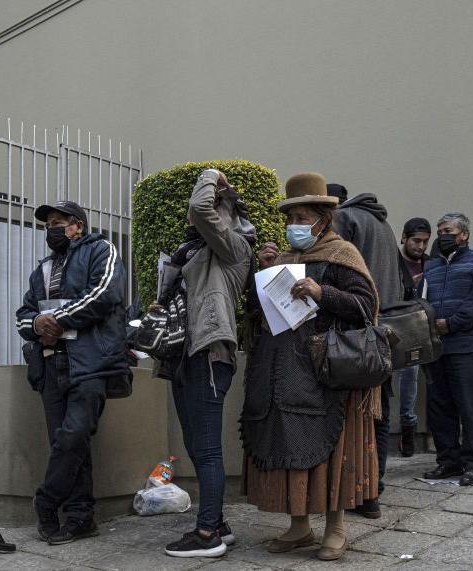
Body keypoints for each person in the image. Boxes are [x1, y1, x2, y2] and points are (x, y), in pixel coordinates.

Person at [243, 173, 380, 562]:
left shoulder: (343, 254)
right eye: (290, 219)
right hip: (282, 372)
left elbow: (365, 308)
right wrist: (264, 272)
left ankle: (335, 528)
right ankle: (299, 526)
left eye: (302, 217)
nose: (293, 226)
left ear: (323, 218)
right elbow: (257, 313)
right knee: (288, 445)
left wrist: (323, 293)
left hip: (326, 374)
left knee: (330, 450)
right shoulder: (284, 260)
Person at [16, 200, 128, 545]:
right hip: (50, 364)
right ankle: (80, 518)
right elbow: (24, 313)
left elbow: (105, 294)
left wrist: (57, 319)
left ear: (78, 225)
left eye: (58, 221)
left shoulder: (101, 250)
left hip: (90, 360)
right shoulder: (43, 269)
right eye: (48, 223)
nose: (51, 228)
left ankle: (47, 501)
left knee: (74, 435)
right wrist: (37, 323)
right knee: (63, 443)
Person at [162, 169, 254, 558]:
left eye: (212, 210)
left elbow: (200, 207)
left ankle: (206, 536)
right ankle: (217, 522)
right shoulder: (192, 252)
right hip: (182, 354)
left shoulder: (235, 248)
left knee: (208, 448)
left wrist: (210, 176)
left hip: (210, 354)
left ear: (225, 215)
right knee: (195, 446)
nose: (194, 216)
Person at [331, 185, 401, 517]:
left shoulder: (345, 219)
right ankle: (375, 488)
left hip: (357, 330)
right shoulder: (382, 223)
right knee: (380, 410)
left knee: (356, 415)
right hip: (386, 330)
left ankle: (359, 490)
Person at [421, 213, 473, 486]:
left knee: (470, 407)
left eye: (448, 230)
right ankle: (448, 462)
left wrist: (451, 324)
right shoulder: (431, 266)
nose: (442, 235)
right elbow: (421, 300)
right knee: (439, 408)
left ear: (463, 234)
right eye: (439, 231)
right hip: (436, 348)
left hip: (465, 347)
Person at [395, 217, 432, 456]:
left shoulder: (431, 264)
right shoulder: (394, 263)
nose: (420, 247)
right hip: (400, 327)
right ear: (404, 238)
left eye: (425, 242)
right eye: (416, 241)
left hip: (428, 327)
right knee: (408, 372)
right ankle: (407, 426)